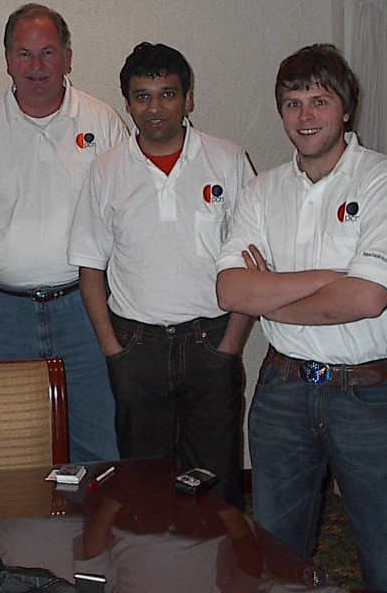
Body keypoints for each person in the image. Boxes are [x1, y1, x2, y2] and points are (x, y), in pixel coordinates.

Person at [215, 44, 387, 593]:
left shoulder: (386, 181)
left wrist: (273, 295)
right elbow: (230, 288)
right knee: (277, 559)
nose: (305, 117)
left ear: (346, 109)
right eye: (292, 103)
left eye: (319, 101)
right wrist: (334, 276)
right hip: (283, 390)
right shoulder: (262, 192)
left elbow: (368, 300)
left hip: (368, 399)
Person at [68, 42, 254, 509]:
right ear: (127, 102)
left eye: (168, 93)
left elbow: (253, 261)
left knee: (218, 483)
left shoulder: (228, 160)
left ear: (188, 99)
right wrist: (113, 349)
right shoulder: (105, 170)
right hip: (137, 349)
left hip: (210, 343)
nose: (155, 107)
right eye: (143, 95)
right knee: (143, 482)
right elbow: (90, 266)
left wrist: (231, 343)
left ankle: (215, 575)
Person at [0, 3, 128, 463]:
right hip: (0, 319)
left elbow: (126, 218)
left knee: (101, 448)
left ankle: (95, 536)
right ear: (6, 60)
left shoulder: (102, 122)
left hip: (84, 313)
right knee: (4, 450)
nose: (36, 66)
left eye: (47, 52)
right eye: (23, 54)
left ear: (68, 56)